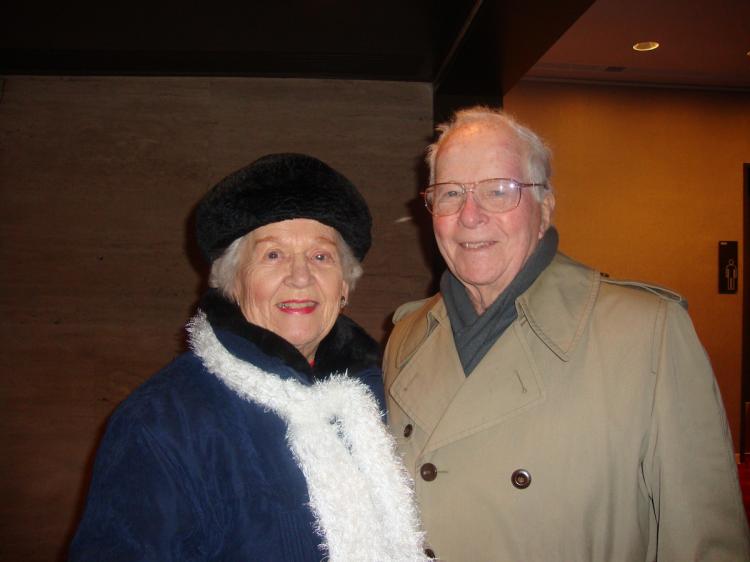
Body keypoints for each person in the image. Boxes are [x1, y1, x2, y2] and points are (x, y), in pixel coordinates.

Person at [383, 106, 750, 561]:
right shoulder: (407, 336)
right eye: (450, 193)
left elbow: (706, 545)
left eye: (499, 191)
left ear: (545, 207)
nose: (470, 215)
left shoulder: (645, 332)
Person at [70, 153, 426, 561]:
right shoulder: (160, 423)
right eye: (273, 255)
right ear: (233, 282)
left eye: (321, 256)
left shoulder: (387, 397)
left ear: (343, 286)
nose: (300, 276)